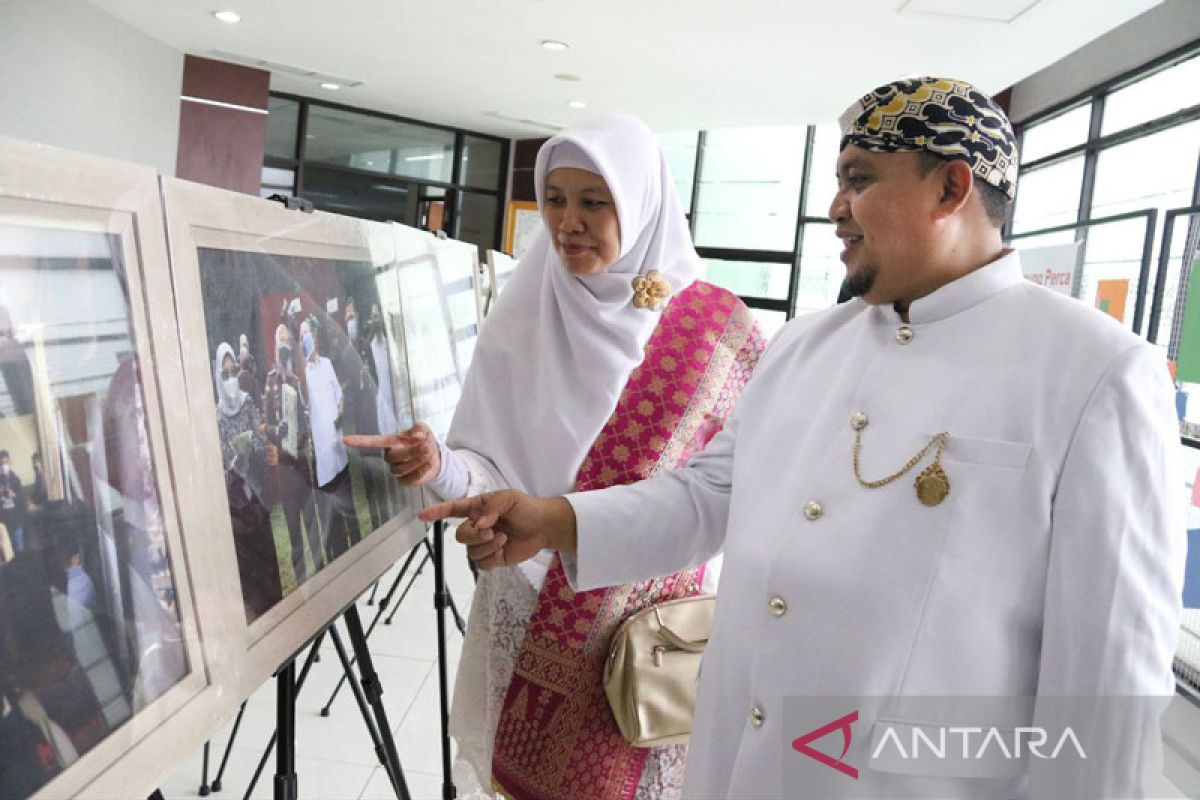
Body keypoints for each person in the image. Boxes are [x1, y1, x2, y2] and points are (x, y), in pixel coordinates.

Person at [424, 79, 1185, 799]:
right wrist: (553, 519)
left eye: (859, 179)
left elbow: (1106, 694)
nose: (834, 208)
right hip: (736, 766)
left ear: (951, 189)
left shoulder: (1095, 372)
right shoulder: (804, 346)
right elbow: (707, 494)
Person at [350, 112, 766, 799]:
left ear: (639, 203)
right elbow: (484, 467)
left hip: (651, 627)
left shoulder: (715, 331)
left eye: (594, 202)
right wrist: (436, 467)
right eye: (556, 200)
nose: (568, 221)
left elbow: (728, 491)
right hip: (528, 597)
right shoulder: (522, 316)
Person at [214, 342, 282, 621]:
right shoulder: (216, 416)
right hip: (237, 505)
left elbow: (258, 434)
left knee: (270, 563)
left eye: (233, 371)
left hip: (258, 492)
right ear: (218, 377)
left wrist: (250, 445)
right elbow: (220, 455)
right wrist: (231, 459)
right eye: (225, 373)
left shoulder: (247, 402)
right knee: (251, 574)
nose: (231, 379)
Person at [262, 323, 321, 585]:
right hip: (285, 470)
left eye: (287, 339)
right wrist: (278, 431)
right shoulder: (270, 383)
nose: (284, 343)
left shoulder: (297, 381)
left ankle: (320, 578)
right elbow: (264, 425)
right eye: (280, 339)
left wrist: (300, 434)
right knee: (294, 531)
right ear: (274, 346)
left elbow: (307, 420)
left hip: (302, 465)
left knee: (312, 527)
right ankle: (302, 584)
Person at [301, 318, 358, 560]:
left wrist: (340, 412)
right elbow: (304, 405)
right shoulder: (303, 374)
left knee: (349, 503)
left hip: (338, 444)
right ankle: (339, 553)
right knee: (332, 509)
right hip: (323, 452)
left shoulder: (326, 364)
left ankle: (357, 546)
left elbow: (339, 395)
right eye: (301, 335)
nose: (306, 339)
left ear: (315, 337)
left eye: (308, 334)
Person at [0, 451, 26, 554]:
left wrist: (14, 495)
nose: (3, 466)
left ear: (10, 462)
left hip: (16, 520)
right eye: (1, 464)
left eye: (5, 463)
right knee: (7, 552)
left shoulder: (16, 480)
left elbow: (22, 501)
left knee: (20, 550)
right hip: (3, 522)